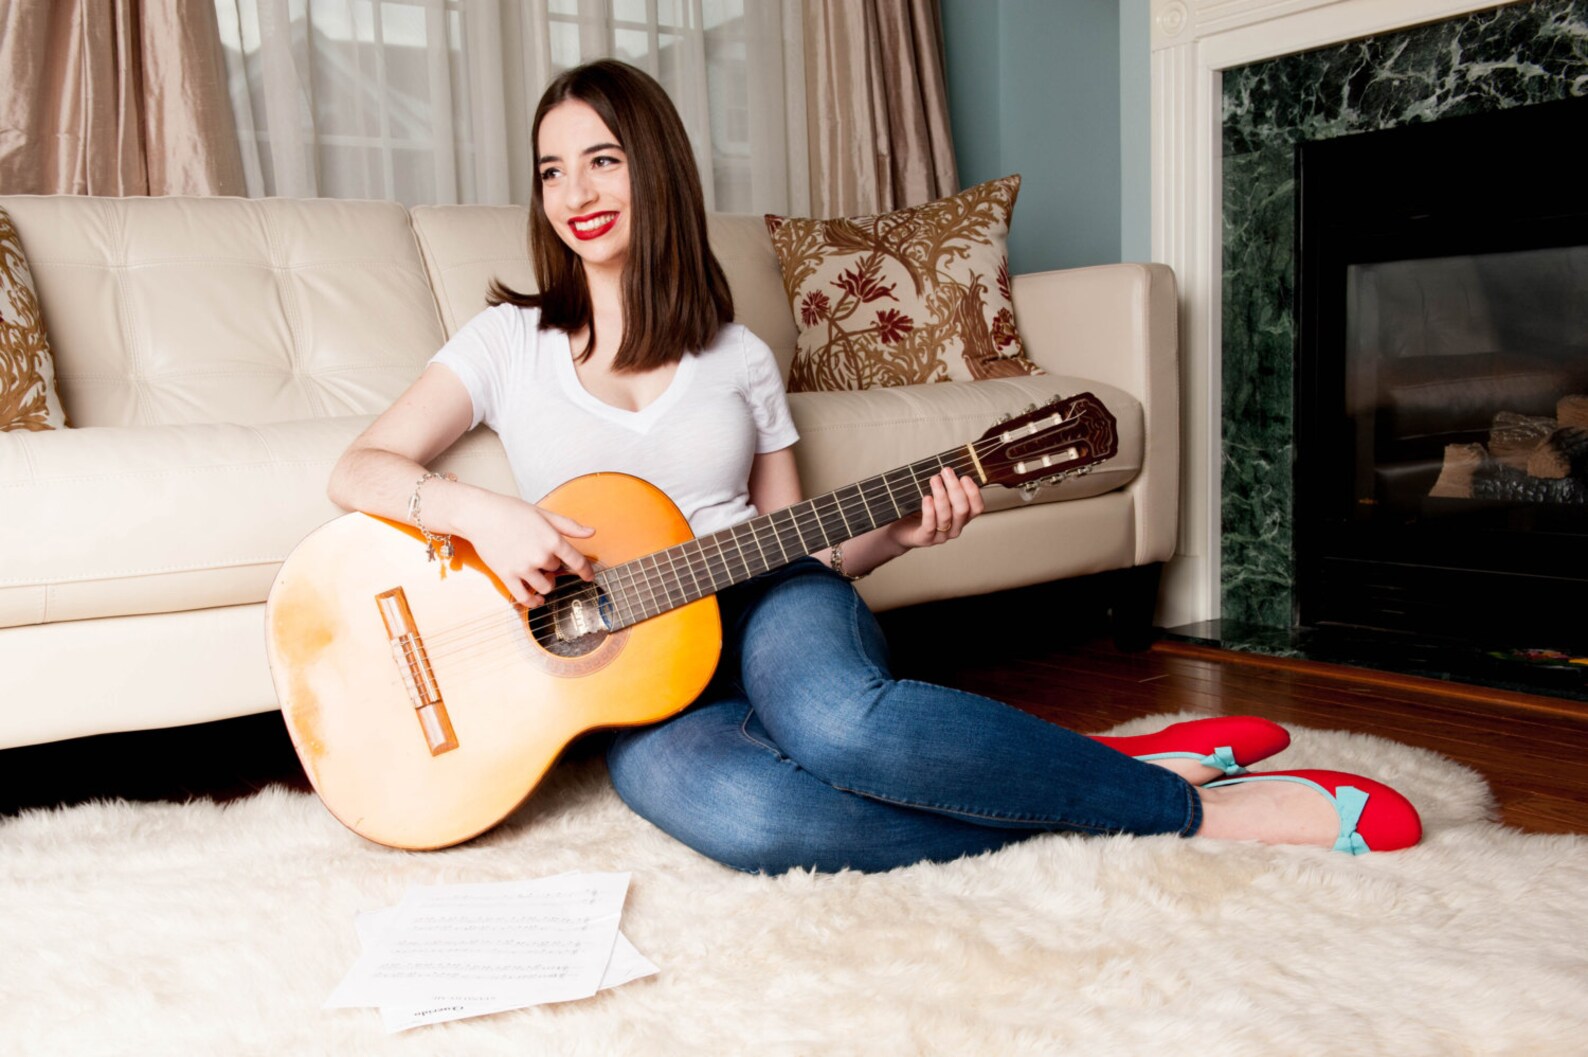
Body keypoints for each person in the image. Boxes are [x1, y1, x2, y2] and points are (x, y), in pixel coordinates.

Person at [328, 59, 1422, 873]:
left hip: (769, 604)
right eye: (552, 170)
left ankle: (1195, 810)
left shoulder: (736, 356)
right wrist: (479, 512)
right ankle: (1100, 774)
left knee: (843, 726)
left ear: (653, 166)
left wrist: (892, 535)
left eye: (602, 158)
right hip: (635, 677)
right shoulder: (504, 343)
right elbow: (360, 468)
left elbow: (796, 539)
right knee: (759, 820)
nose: (576, 191)